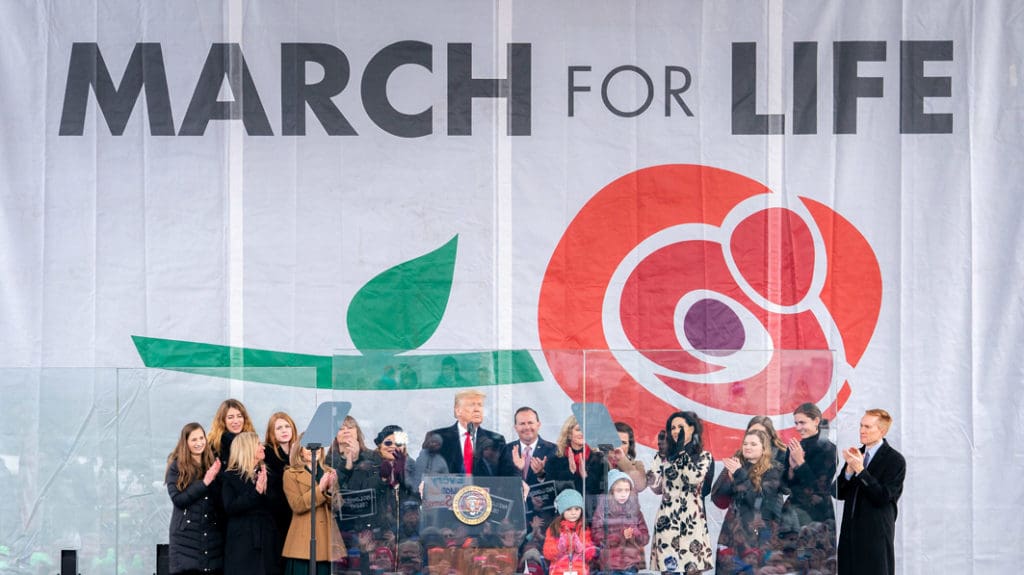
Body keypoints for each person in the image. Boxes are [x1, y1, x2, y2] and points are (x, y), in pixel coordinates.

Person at [834, 409, 906, 575]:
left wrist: (861, 470)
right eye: (861, 425)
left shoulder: (894, 460)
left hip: (875, 536)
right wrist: (848, 472)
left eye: (867, 426)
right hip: (849, 536)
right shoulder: (856, 454)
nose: (861, 430)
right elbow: (838, 493)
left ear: (882, 431)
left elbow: (882, 497)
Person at [710, 429, 784, 574]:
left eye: (753, 444)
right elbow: (718, 499)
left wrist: (739, 474)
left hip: (757, 536)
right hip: (732, 534)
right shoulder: (738, 466)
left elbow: (760, 502)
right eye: (745, 443)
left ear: (764, 449)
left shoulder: (773, 471)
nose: (747, 447)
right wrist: (728, 477)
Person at [648, 411, 713, 574]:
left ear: (692, 429)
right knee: (669, 571)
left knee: (692, 570)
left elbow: (694, 478)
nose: (676, 431)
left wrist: (681, 453)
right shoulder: (663, 456)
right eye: (673, 428)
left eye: (680, 427)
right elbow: (655, 487)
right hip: (667, 521)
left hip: (692, 522)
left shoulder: (704, 456)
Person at [281, 432, 346, 575]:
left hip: (326, 541)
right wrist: (320, 489)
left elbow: (338, 506)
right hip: (302, 542)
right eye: (308, 446)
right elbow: (297, 505)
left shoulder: (329, 472)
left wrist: (329, 491)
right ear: (300, 450)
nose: (313, 450)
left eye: (317, 447)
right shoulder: (290, 474)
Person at [165, 422, 224, 575]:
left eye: (201, 438)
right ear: (186, 443)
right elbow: (178, 500)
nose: (199, 443)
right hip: (185, 538)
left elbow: (220, 500)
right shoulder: (176, 466)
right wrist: (205, 482)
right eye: (194, 440)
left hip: (212, 536)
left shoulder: (213, 463)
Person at [221, 431, 282, 575]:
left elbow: (278, 507)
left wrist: (265, 490)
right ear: (247, 448)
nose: (263, 447)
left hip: (267, 538)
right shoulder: (230, 476)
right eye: (258, 444)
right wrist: (256, 492)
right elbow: (230, 507)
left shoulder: (267, 473)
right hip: (243, 541)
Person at [782, 403, 837, 537]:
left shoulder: (829, 449)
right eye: (796, 423)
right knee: (788, 556)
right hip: (792, 511)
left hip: (817, 513)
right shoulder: (795, 447)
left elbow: (819, 487)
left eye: (802, 423)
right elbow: (785, 486)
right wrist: (791, 468)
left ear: (816, 421)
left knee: (812, 553)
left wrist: (800, 462)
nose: (798, 428)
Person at [427, 389, 510, 477]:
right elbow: (426, 472)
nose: (477, 409)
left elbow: (506, 477)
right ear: (458, 411)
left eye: (480, 405)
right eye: (472, 405)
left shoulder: (496, 440)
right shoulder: (437, 437)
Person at [544, 415, 609, 519]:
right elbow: (551, 492)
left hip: (591, 517)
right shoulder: (555, 460)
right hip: (562, 517)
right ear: (569, 434)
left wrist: (585, 477)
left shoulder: (599, 459)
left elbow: (602, 493)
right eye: (579, 429)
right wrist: (571, 475)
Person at [591, 469, 649, 574]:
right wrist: (619, 536)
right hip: (609, 564)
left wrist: (634, 532)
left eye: (627, 490)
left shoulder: (635, 511)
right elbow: (596, 535)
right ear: (611, 491)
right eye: (619, 490)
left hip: (631, 563)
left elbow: (645, 538)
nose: (623, 494)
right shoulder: (602, 510)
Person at [264, 411, 298, 551]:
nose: (284, 430)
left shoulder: (301, 451)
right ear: (272, 433)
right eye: (279, 428)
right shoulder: (267, 453)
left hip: (298, 513)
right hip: (277, 517)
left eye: (287, 426)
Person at [543, 489, 597, 575]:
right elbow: (547, 553)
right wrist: (559, 548)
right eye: (568, 509)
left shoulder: (583, 528)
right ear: (561, 511)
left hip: (580, 571)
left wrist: (582, 549)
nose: (573, 513)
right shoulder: (554, 528)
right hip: (558, 571)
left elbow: (590, 554)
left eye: (577, 509)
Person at [208, 399, 256, 465]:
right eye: (230, 417)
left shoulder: (252, 441)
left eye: (239, 416)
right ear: (223, 420)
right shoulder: (215, 445)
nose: (236, 421)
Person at [609, 422, 648, 492]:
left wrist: (622, 459)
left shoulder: (637, 465)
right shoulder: (597, 460)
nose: (618, 446)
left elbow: (640, 486)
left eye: (623, 443)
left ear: (630, 446)